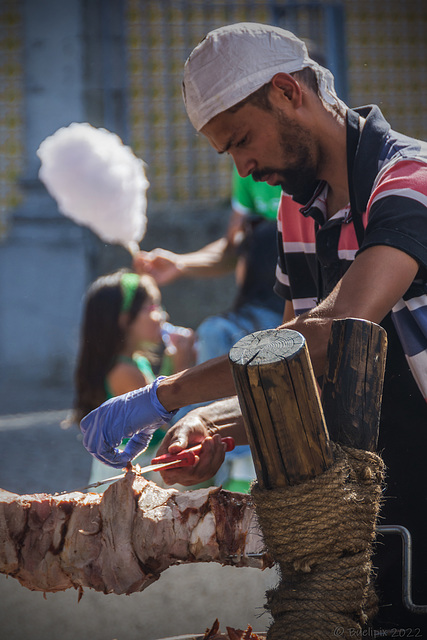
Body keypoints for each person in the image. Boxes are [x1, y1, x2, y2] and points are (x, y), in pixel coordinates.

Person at [80, 23, 427, 630]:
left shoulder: (410, 180)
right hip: (368, 513)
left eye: (242, 139)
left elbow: (327, 335)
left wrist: (168, 393)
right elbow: (294, 384)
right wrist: (209, 429)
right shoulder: (297, 212)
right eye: (229, 153)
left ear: (289, 91)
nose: (244, 165)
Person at [134, 167, 283, 364]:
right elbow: (233, 246)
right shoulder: (248, 169)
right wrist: (180, 263)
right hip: (256, 306)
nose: (238, 162)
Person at [73, 268, 195, 483]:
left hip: (137, 471)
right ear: (124, 319)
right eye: (153, 307)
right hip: (132, 475)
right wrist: (182, 367)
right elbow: (163, 421)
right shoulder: (124, 372)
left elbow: (157, 400)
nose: (162, 315)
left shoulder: (134, 362)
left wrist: (171, 363)